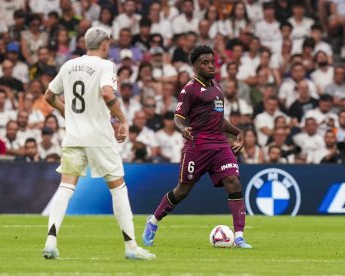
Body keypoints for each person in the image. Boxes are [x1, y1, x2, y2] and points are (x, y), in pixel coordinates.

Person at [42, 27, 155, 260]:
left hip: (73, 136)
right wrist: (123, 119)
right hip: (99, 138)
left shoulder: (68, 66)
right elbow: (106, 92)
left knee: (65, 187)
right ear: (105, 44)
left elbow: (48, 96)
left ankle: (50, 242)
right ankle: (131, 247)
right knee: (118, 188)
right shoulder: (105, 65)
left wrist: (68, 114)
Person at [142, 45, 252, 249]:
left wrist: (237, 131)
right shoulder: (190, 89)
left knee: (233, 182)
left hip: (220, 145)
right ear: (195, 66)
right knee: (182, 191)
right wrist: (183, 128)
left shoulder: (217, 88)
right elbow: (178, 116)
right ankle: (153, 221)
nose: (211, 66)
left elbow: (218, 119)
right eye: (205, 63)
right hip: (198, 146)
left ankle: (239, 237)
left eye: (212, 62)